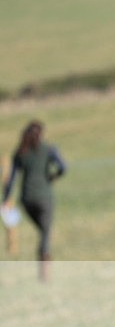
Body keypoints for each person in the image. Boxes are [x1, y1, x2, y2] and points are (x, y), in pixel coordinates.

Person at [2, 120, 67, 281]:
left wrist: (6, 198)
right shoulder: (48, 149)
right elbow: (63, 167)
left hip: (26, 199)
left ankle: (44, 263)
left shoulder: (20, 152)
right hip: (44, 198)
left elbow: (12, 179)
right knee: (45, 232)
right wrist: (52, 177)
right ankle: (45, 271)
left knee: (44, 231)